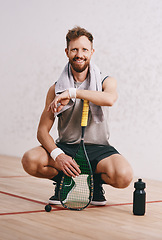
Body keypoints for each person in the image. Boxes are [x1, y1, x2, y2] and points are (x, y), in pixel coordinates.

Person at [22, 26, 133, 206]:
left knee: (124, 176)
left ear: (92, 52)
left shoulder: (107, 81)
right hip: (66, 148)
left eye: (84, 49)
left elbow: (109, 99)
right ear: (67, 52)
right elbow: (42, 131)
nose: (79, 54)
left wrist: (73, 93)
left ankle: (95, 183)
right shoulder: (55, 89)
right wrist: (58, 155)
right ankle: (61, 181)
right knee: (30, 160)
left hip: (99, 149)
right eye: (74, 49)